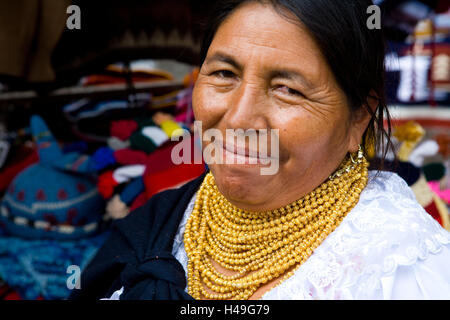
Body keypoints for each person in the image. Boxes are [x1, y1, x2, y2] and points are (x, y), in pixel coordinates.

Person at [69, 0, 450, 300]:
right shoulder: (152, 227)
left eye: (288, 89)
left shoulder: (402, 268)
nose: (237, 118)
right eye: (224, 74)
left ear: (358, 121)